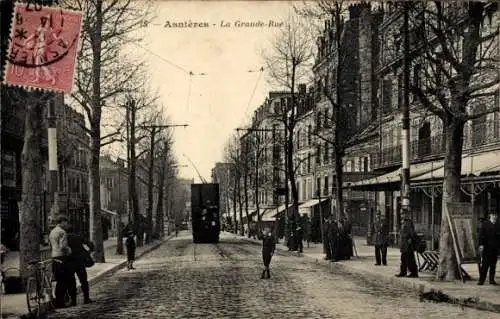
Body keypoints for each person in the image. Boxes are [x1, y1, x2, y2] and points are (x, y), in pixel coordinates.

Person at [49, 215, 75, 308]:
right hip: (61, 257)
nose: (67, 224)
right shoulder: (62, 232)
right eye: (66, 222)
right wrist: (69, 250)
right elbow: (63, 246)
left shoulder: (52, 232)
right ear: (62, 222)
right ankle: (60, 302)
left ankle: (58, 300)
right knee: (63, 281)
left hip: (54, 257)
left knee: (59, 281)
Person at [67, 227, 95, 305]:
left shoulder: (66, 237)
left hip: (70, 261)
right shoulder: (78, 237)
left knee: (71, 282)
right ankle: (86, 298)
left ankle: (73, 301)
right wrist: (89, 252)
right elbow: (90, 244)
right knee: (83, 280)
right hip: (80, 261)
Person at [478, 211, 500, 285]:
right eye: (493, 215)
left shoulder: (498, 224)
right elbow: (480, 235)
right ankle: (481, 280)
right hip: (487, 247)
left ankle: (492, 280)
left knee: (493, 265)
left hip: (495, 248)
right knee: (485, 265)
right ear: (490, 215)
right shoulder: (485, 224)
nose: (494, 216)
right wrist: (481, 244)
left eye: (495, 215)